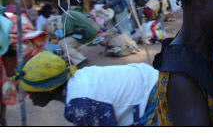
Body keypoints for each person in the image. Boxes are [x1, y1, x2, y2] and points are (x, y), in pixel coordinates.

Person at [14, 51, 159, 126]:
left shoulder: (80, 105)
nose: (30, 99)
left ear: (49, 88)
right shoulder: (79, 77)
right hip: (148, 78)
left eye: (31, 93)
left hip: (154, 94)